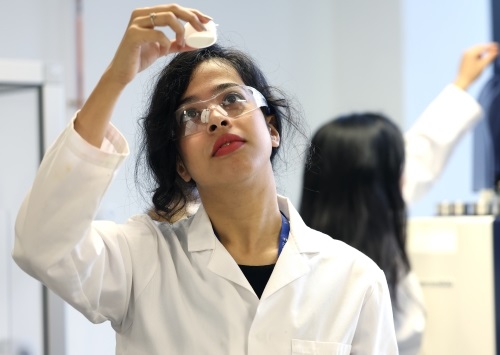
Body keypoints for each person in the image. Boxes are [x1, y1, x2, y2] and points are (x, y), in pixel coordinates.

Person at [12, 4, 398, 354]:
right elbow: (43, 244)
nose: (215, 118)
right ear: (182, 165)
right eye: (189, 116)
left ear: (271, 128)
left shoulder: (354, 278)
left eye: (231, 98)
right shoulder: (142, 259)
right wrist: (116, 77)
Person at [299, 43, 498, 355]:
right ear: (377, 183)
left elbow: (423, 149)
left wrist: (462, 83)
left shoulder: (359, 215)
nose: (407, 173)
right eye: (397, 167)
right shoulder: (326, 274)